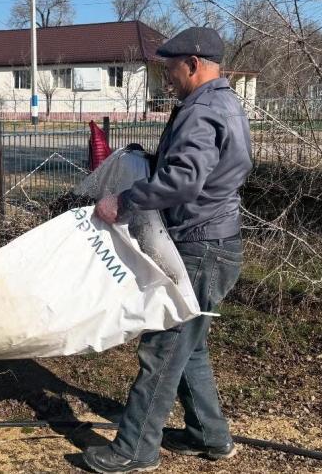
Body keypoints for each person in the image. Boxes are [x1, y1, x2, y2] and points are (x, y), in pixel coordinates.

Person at [82, 27, 253, 473]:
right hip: (216, 243)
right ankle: (209, 437)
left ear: (193, 64)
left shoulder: (200, 111)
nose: (167, 78)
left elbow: (185, 180)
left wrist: (125, 200)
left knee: (162, 349)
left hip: (200, 249)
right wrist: (151, 161)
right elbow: (202, 169)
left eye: (170, 68)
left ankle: (135, 450)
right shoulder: (225, 103)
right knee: (188, 348)